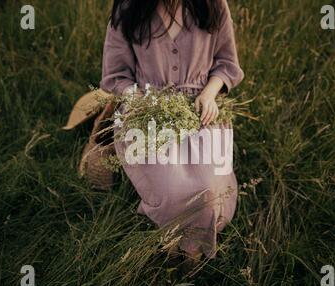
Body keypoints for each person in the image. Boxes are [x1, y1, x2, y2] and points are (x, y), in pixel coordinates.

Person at [100, 0, 244, 264]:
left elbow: (226, 63)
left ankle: (186, 244)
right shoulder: (129, 8)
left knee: (210, 194)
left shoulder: (213, 4)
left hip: (200, 108)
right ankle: (185, 246)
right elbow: (116, 76)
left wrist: (210, 94)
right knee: (173, 191)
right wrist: (139, 102)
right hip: (144, 111)